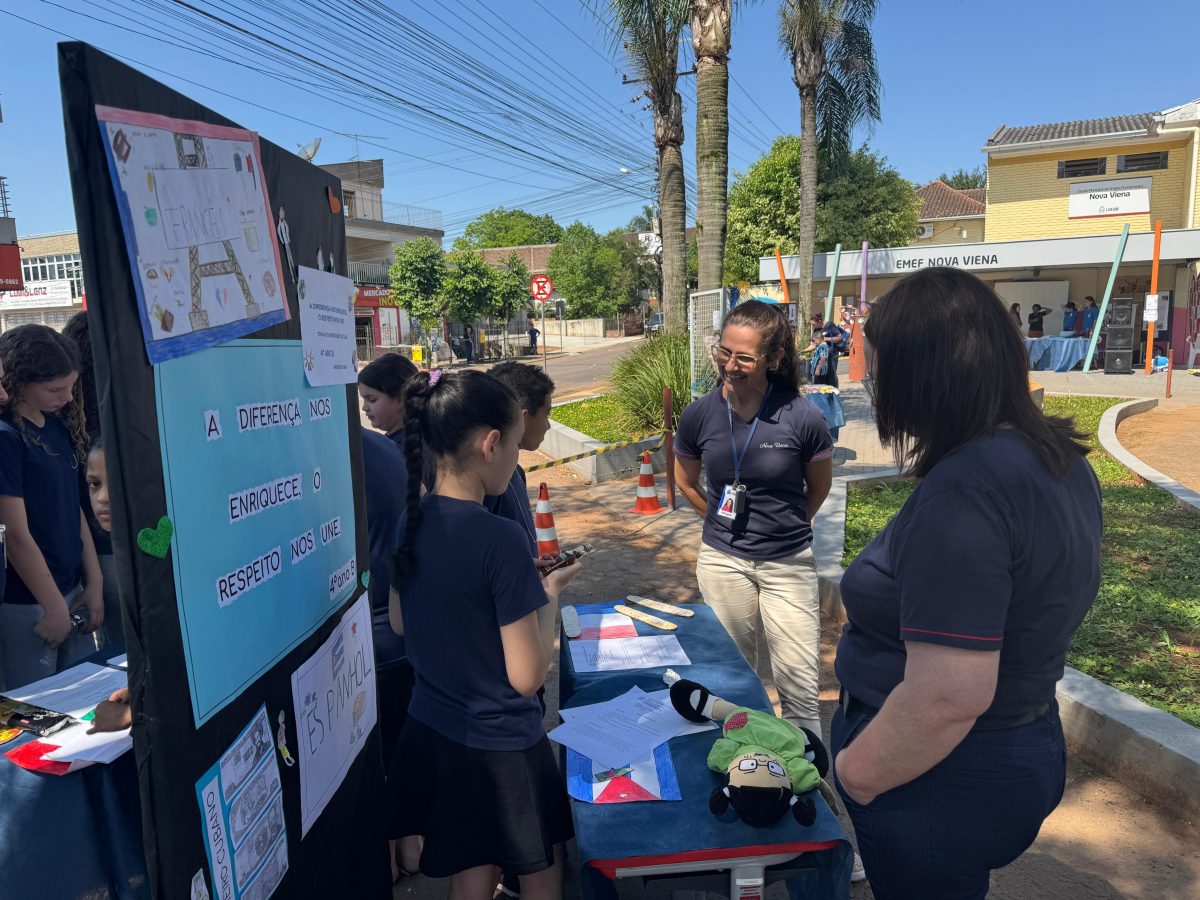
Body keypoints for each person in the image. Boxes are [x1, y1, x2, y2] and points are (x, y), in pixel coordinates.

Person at [833, 267, 1102, 898]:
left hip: (941, 775)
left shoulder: (966, 491)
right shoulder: (1053, 458)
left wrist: (859, 773)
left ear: (925, 376)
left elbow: (948, 696)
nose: (873, 389)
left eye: (879, 373)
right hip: (1013, 745)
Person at [388, 369, 580, 895]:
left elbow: (403, 622)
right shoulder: (501, 539)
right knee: (541, 875)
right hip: (502, 748)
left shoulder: (413, 519)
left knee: (472, 866)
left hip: (436, 731)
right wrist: (549, 595)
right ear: (491, 443)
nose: (518, 458)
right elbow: (525, 677)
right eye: (518, 444)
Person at [674, 300, 835, 739]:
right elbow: (686, 483)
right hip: (723, 561)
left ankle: (810, 785)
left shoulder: (801, 416)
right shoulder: (699, 415)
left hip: (788, 563)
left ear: (774, 358)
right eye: (724, 352)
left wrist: (789, 524)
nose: (730, 365)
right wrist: (721, 524)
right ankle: (744, 774)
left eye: (744, 357)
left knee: (799, 688)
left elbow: (818, 487)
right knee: (733, 679)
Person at [0, 325, 103, 690]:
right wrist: (53, 604)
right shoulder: (7, 437)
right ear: (20, 382)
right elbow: (14, 534)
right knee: (33, 710)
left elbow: (73, 508)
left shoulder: (56, 426)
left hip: (70, 588)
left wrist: (95, 582)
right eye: (55, 390)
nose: (68, 397)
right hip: (29, 602)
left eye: (71, 387)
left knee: (80, 698)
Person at [61, 311, 122, 651]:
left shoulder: (64, 417)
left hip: (96, 552)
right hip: (109, 549)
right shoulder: (120, 408)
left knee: (120, 648)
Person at [358, 353, 418, 449]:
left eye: (371, 399)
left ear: (401, 400)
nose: (364, 408)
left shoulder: (402, 449)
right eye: (363, 399)